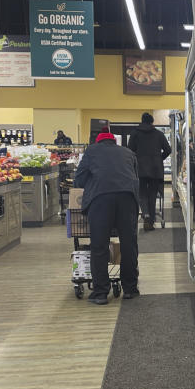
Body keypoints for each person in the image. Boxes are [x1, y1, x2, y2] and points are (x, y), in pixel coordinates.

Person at [74, 128, 140, 304]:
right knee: (129, 244)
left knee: (99, 245)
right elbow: (135, 178)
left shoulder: (91, 151)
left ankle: (101, 292)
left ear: (98, 141)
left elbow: (79, 180)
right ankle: (130, 289)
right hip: (127, 198)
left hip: (100, 201)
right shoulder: (128, 152)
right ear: (114, 141)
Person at [127, 112, 171, 230]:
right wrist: (159, 158)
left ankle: (145, 214)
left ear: (142, 121)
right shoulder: (158, 134)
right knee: (152, 194)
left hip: (140, 168)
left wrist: (136, 160)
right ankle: (151, 221)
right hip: (155, 169)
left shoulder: (135, 134)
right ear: (152, 122)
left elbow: (129, 151)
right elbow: (168, 149)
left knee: (142, 193)